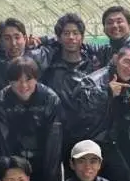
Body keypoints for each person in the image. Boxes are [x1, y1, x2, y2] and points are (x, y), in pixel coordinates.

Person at [0, 57, 63, 181]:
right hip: (14, 165)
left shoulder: (50, 99)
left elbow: (54, 145)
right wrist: (9, 174)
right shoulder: (1, 101)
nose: (23, 85)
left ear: (36, 78)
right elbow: (1, 144)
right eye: (17, 80)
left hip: (43, 163)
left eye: (28, 79)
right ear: (9, 81)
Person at [33, 12, 100, 161]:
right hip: (57, 132)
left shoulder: (93, 65)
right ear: (59, 37)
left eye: (75, 33)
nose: (71, 37)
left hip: (87, 133)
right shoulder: (49, 66)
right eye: (66, 33)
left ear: (82, 37)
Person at [79, 44, 130, 181]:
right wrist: (107, 92)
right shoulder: (94, 80)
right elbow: (82, 109)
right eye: (127, 62)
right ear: (116, 59)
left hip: (111, 144)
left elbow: (119, 116)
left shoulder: (128, 84)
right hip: (91, 145)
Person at [0, 17, 31, 96]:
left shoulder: (37, 57)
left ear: (25, 39)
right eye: (7, 38)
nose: (13, 43)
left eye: (17, 37)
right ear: (1, 41)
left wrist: (42, 40)